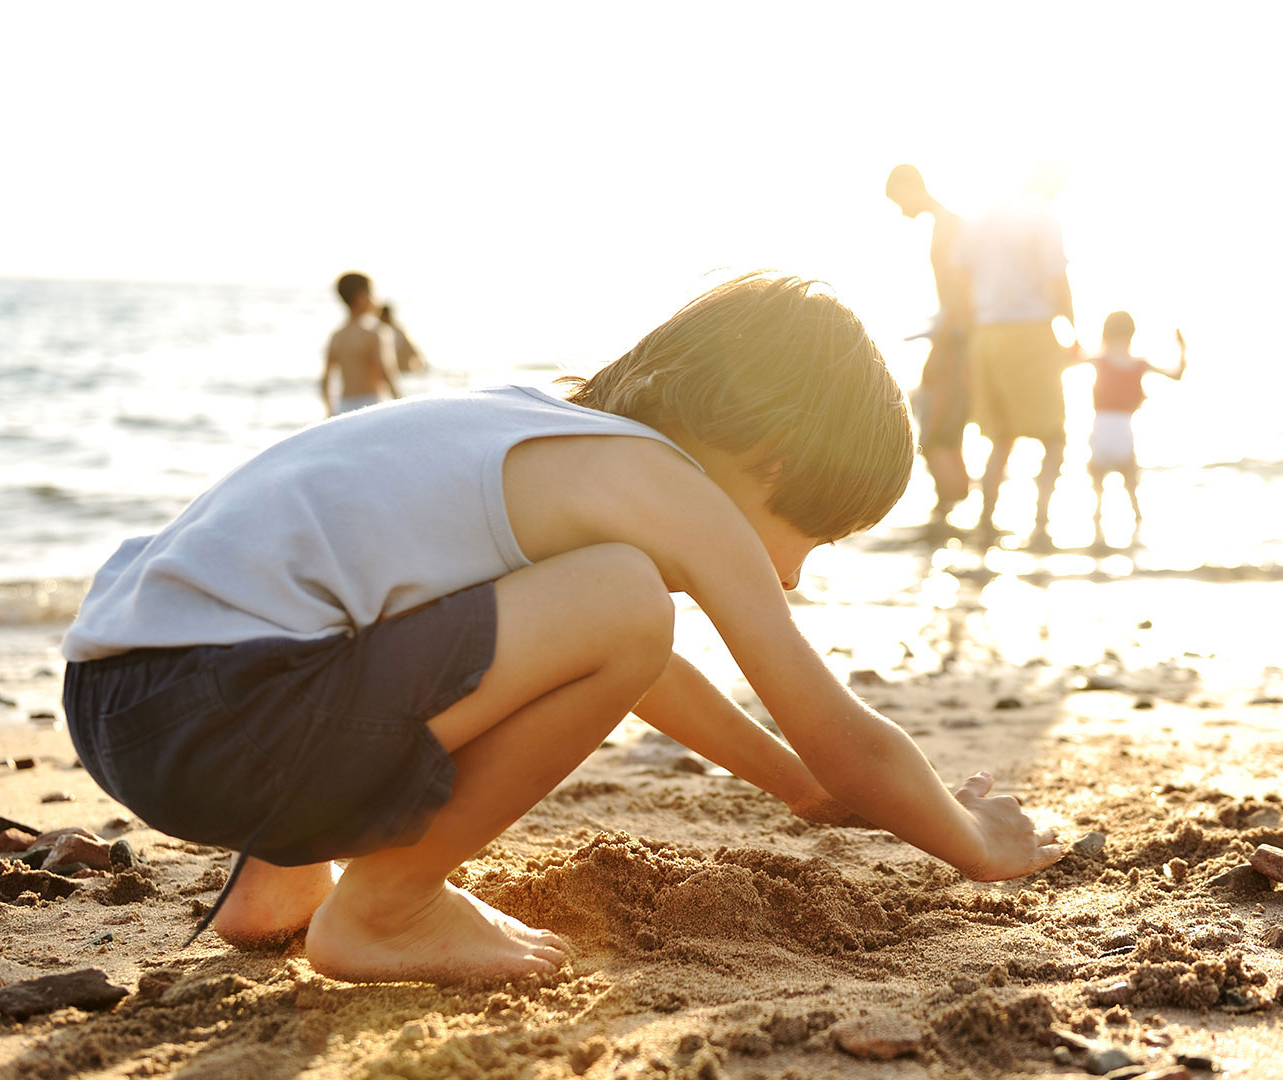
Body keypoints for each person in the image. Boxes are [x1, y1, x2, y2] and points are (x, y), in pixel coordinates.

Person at [59, 274, 1062, 985]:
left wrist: (789, 785)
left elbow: (633, 665)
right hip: (231, 713)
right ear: (765, 454)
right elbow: (835, 729)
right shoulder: (664, 490)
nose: (792, 572)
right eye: (812, 533)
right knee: (626, 595)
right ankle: (388, 905)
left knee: (547, 603)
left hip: (126, 696)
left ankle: (277, 887)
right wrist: (975, 841)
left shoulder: (538, 431)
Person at [953, 171, 1076, 548]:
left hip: (986, 335)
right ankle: (1041, 522)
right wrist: (1072, 331)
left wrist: (969, 330)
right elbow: (1058, 279)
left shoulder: (980, 217)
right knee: (1053, 437)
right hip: (1030, 329)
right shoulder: (1042, 217)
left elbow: (959, 273)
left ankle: (986, 520)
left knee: (999, 436)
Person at [885, 164, 970, 531]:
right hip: (956, 334)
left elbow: (961, 294)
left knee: (936, 428)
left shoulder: (949, 227)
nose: (900, 210)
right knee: (944, 425)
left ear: (910, 187)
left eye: (898, 200)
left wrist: (942, 344)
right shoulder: (948, 224)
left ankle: (947, 514)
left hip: (957, 338)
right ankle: (949, 511)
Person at [1082, 313, 1186, 548]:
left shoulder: (1099, 360)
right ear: (1132, 334)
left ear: (1105, 334)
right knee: (1132, 493)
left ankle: (1097, 535)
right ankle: (1137, 535)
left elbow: (1064, 362)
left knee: (1097, 493)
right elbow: (1177, 375)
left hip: (1100, 431)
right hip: (1124, 433)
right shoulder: (1139, 364)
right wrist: (1182, 348)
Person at [322, 272, 401, 417]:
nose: (375, 299)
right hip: (371, 403)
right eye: (372, 293)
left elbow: (326, 378)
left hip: (343, 405)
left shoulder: (337, 336)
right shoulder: (375, 332)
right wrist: (401, 403)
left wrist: (329, 411)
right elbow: (385, 372)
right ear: (360, 297)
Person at [380, 303, 428, 375]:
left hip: (401, 373)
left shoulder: (398, 332)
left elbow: (413, 351)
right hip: (393, 373)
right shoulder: (377, 332)